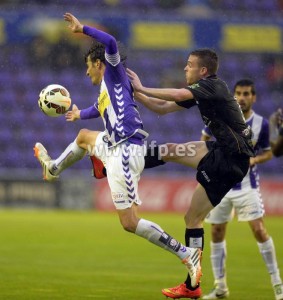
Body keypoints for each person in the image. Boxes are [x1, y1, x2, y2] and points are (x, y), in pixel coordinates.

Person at [34, 12, 202, 292]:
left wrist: (82, 29)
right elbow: (100, 109)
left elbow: (110, 41)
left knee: (129, 222)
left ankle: (187, 254)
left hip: (125, 150)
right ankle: (53, 169)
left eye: (88, 66)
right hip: (113, 144)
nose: (86, 71)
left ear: (99, 63)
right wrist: (79, 114)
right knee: (85, 136)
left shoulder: (113, 71)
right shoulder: (106, 87)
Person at [126, 49, 255, 299]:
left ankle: (192, 286)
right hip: (223, 152)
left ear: (203, 71)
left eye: (189, 65)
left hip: (229, 161)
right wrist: (136, 93)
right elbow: (162, 108)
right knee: (172, 150)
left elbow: (175, 93)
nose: (185, 69)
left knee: (192, 220)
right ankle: (125, 164)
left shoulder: (211, 86)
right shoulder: (205, 91)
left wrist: (142, 85)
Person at [200, 79, 283, 300]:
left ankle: (277, 284)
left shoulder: (261, 124)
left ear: (253, 97)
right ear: (233, 95)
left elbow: (267, 152)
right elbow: (204, 139)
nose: (242, 97)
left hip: (247, 186)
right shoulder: (220, 117)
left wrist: (255, 160)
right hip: (221, 185)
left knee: (258, 229)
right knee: (217, 232)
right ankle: (220, 288)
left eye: (246, 93)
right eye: (238, 93)